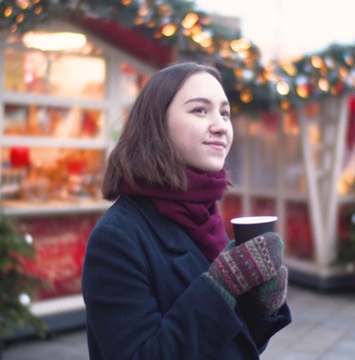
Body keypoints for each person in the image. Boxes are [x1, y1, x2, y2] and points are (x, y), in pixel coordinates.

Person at [81, 62, 291, 359]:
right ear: (157, 125)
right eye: (200, 110)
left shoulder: (203, 217)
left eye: (225, 112)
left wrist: (261, 305)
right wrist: (220, 286)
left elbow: (232, 345)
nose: (220, 125)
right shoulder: (116, 238)